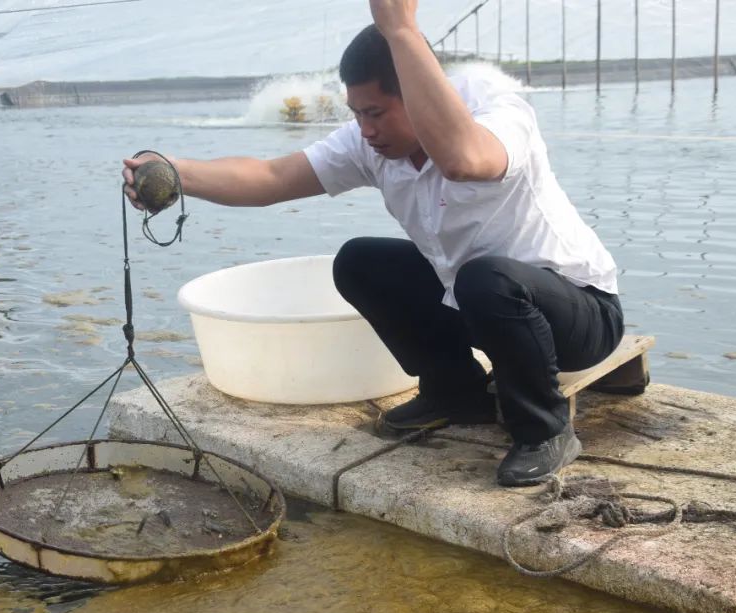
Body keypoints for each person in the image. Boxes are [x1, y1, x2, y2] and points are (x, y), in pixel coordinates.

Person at [122, 0, 624, 487]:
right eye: (357, 113)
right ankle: (456, 394)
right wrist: (175, 171)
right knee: (361, 262)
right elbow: (272, 177)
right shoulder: (370, 142)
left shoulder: (498, 114)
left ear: (419, 91)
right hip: (481, 300)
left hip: (580, 315)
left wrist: (400, 28)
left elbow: (464, 160)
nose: (366, 129)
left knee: (485, 278)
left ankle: (545, 430)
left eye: (377, 112)